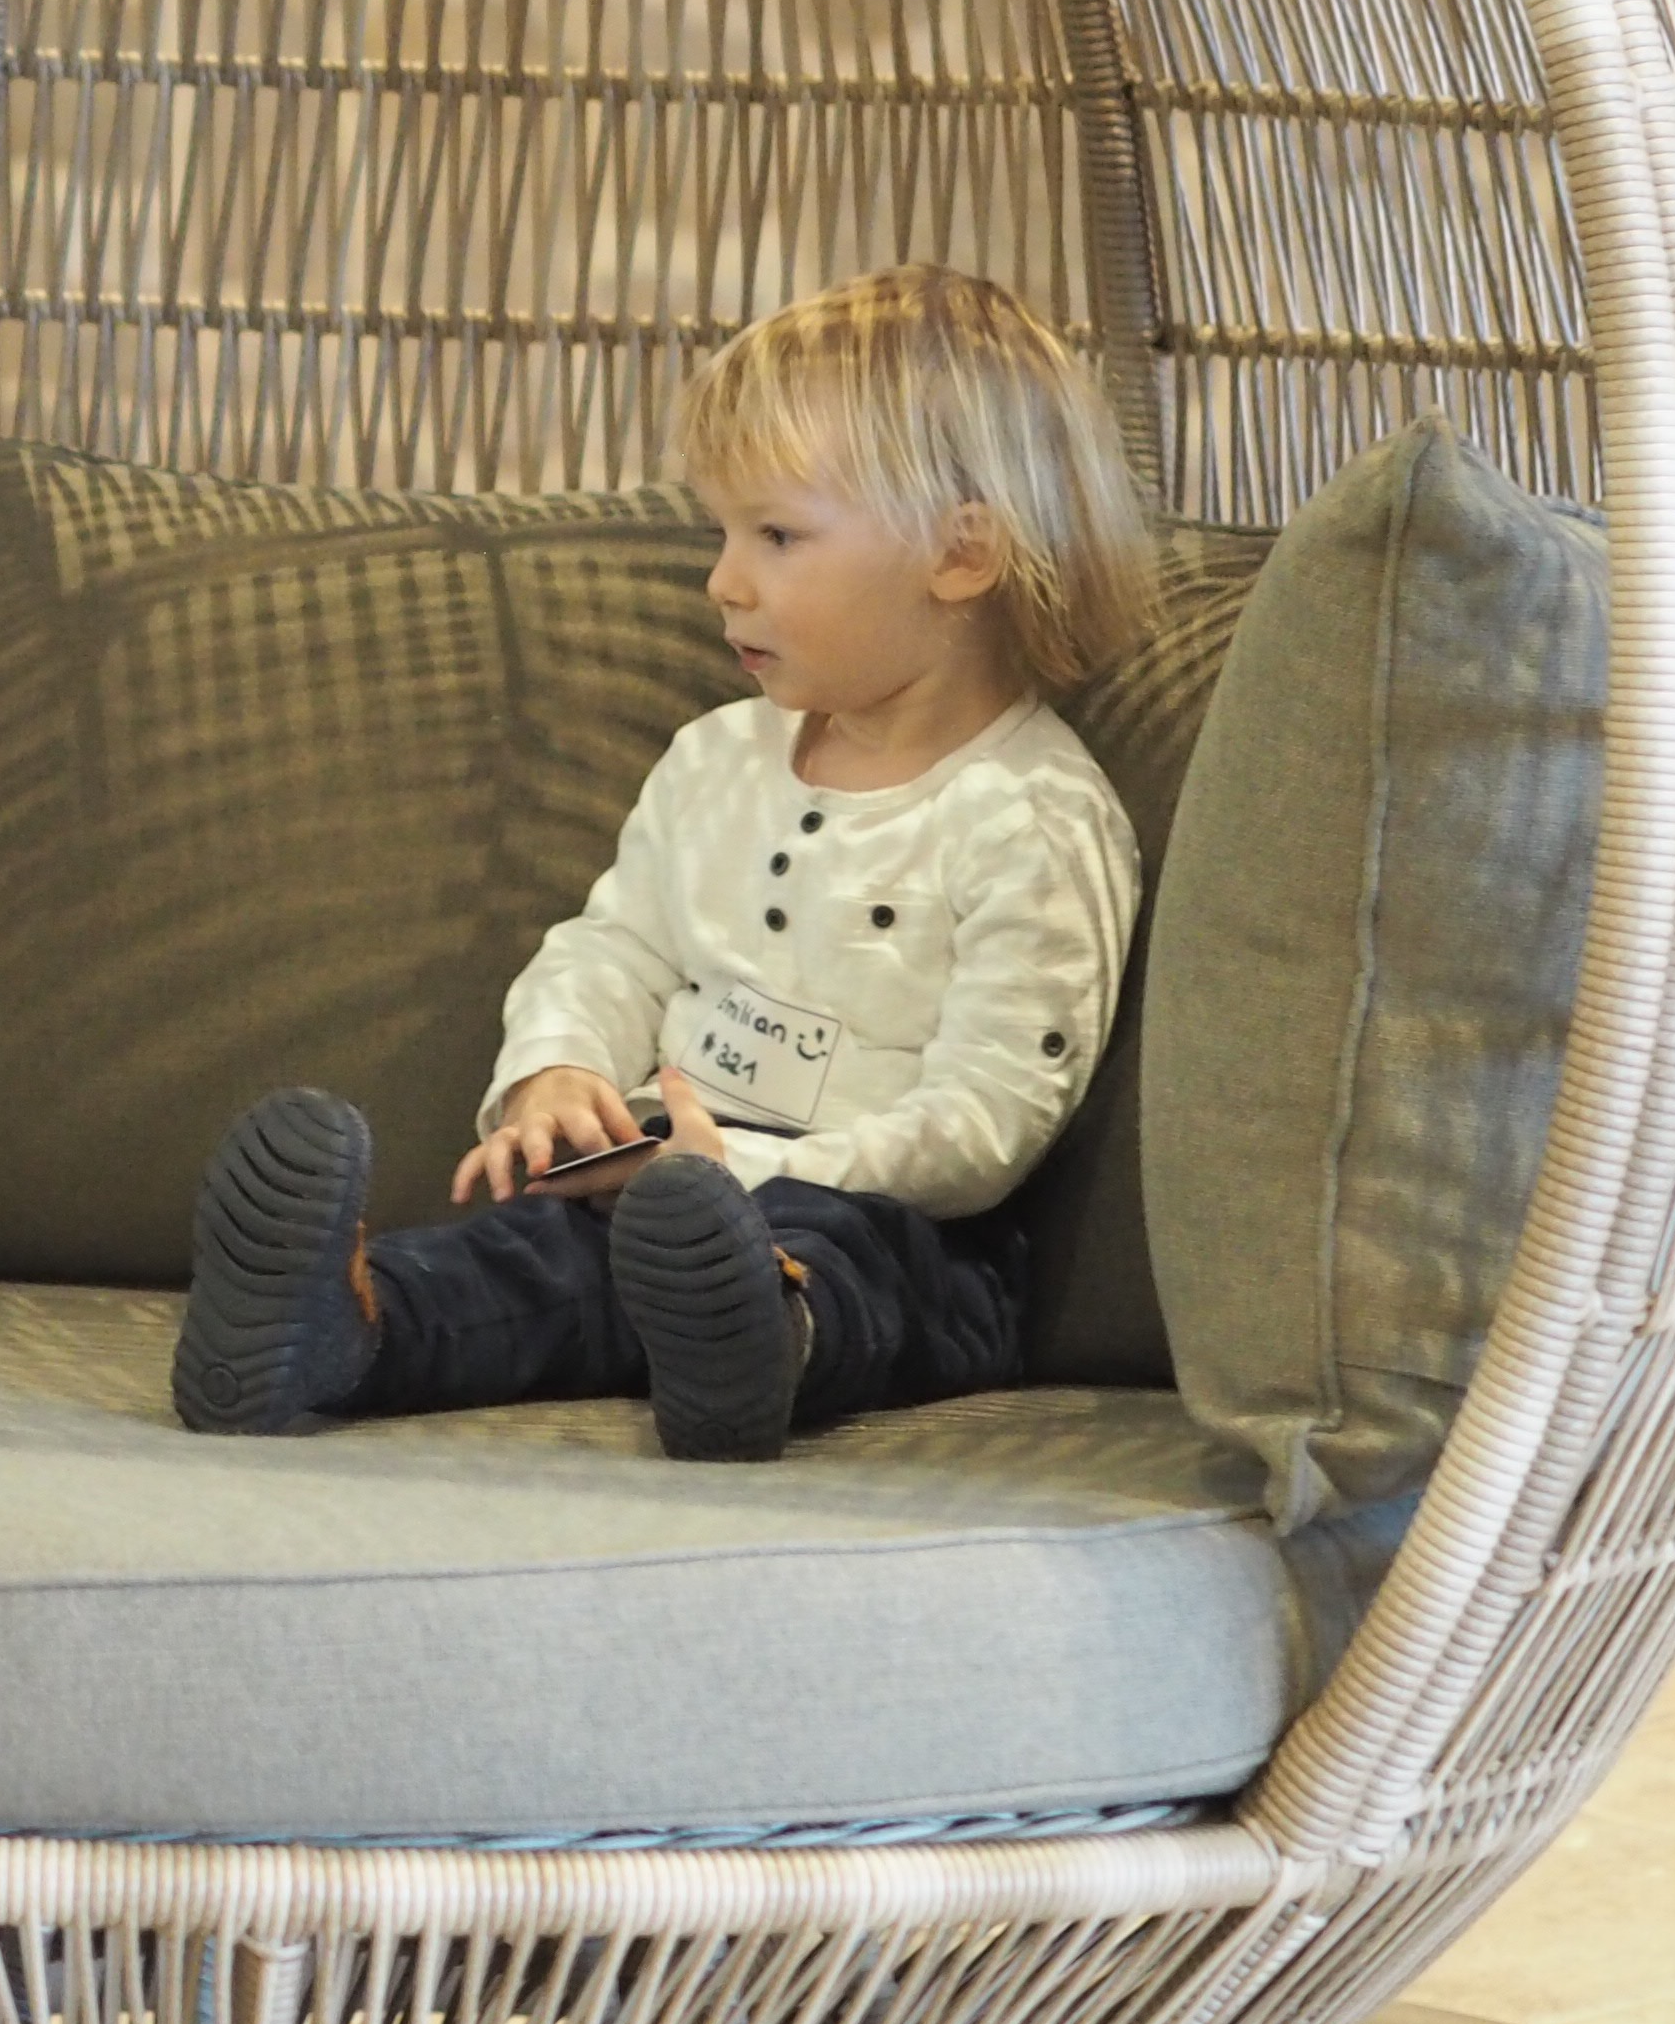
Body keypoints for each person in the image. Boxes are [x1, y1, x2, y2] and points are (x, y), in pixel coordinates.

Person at [169, 264, 1150, 1464]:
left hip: (898, 1218)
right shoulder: (716, 761)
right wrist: (557, 1077)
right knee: (522, 1255)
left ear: (961, 555)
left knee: (861, 1263)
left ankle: (758, 1342)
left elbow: (990, 1122)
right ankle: (330, 1329)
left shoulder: (1034, 820)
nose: (723, 581)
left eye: (777, 534)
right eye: (724, 532)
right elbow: (613, 949)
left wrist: (745, 1174)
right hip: (656, 1186)